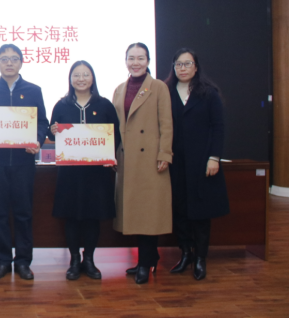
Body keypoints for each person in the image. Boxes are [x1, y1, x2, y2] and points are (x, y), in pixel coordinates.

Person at [0, 44, 49, 280]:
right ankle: (2, 261)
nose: (9, 63)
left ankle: (23, 261)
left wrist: (37, 140)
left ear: (21, 62)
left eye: (14, 59)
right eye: (4, 59)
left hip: (24, 161)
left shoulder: (33, 90)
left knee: (24, 213)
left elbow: (42, 123)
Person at [48, 61, 120, 281]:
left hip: (96, 172)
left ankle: (89, 259)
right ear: (70, 79)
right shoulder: (61, 105)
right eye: (76, 75)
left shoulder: (105, 104)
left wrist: (109, 155)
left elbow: (115, 135)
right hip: (70, 172)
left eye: (85, 74)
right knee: (71, 217)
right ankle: (74, 260)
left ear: (92, 78)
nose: (81, 79)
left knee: (92, 217)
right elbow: (52, 135)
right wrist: (53, 131)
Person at [164, 48, 228, 281]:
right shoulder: (166, 92)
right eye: (178, 64)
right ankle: (186, 254)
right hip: (175, 162)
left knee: (200, 213)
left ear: (196, 67)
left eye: (187, 63)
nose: (182, 68)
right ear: (173, 67)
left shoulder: (208, 93)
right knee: (179, 210)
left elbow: (218, 127)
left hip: (202, 162)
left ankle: (200, 258)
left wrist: (214, 157)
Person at [112, 42, 173, 284]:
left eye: (140, 58)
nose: (135, 63)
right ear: (125, 61)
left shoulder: (158, 87)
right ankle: (146, 259)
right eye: (131, 58)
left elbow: (166, 123)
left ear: (148, 61)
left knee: (149, 213)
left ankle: (146, 262)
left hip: (150, 160)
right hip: (127, 159)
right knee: (136, 213)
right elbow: (114, 126)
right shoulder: (119, 89)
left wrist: (165, 154)